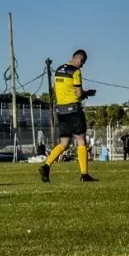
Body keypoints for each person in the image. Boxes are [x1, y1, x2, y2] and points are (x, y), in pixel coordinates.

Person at [40, 50, 97, 183]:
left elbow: (56, 90)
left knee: (64, 143)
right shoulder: (76, 71)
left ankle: (46, 165)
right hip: (73, 110)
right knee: (81, 140)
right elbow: (78, 94)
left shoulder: (58, 70)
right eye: (82, 63)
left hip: (61, 110)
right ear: (79, 60)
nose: (82, 66)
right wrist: (87, 93)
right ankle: (84, 174)